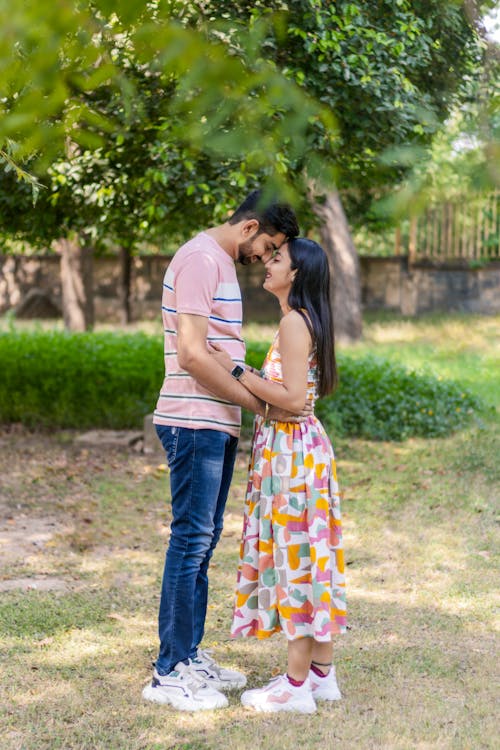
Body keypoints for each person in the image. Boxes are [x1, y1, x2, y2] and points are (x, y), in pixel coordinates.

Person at [142, 190, 300, 712]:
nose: (269, 258)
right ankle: (167, 673)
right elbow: (191, 354)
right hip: (192, 422)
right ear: (250, 226)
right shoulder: (198, 259)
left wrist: (248, 404)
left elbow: (219, 353)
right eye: (271, 245)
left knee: (202, 544)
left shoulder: (221, 264)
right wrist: (260, 406)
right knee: (190, 542)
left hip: (214, 423)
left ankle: (187, 656)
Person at [209, 237, 346, 714]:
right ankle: (321, 675)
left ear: (298, 274)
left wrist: (236, 369)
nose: (267, 263)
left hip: (293, 454)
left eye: (278, 259)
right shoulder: (307, 321)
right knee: (310, 551)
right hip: (299, 447)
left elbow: (290, 398)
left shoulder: (293, 322)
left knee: (297, 559)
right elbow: (296, 398)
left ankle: (294, 686)